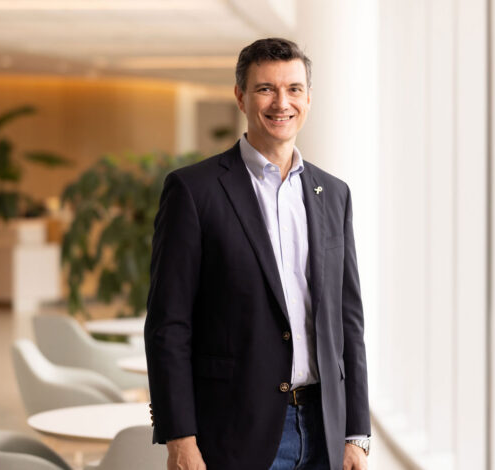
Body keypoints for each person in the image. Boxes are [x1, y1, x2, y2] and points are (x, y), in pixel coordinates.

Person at [144, 38, 371, 470]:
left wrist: (356, 432)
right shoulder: (194, 191)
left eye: (294, 89)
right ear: (241, 97)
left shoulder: (333, 193)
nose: (282, 103)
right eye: (266, 89)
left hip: (325, 429)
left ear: (308, 98)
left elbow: (348, 321)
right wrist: (180, 438)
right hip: (234, 431)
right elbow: (168, 325)